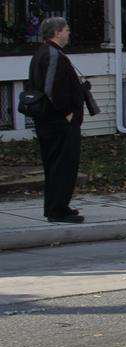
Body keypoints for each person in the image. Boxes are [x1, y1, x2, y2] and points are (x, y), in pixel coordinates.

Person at [26, 17, 87, 223]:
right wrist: (67, 112)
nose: (69, 33)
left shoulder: (47, 53)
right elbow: (51, 88)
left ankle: (59, 206)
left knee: (57, 165)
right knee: (62, 165)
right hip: (58, 123)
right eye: (67, 29)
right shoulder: (51, 55)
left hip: (51, 122)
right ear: (57, 32)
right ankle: (57, 211)